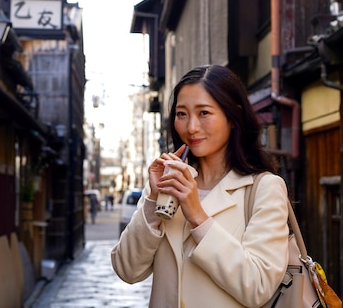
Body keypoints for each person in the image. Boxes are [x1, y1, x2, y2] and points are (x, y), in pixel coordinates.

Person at [111, 65, 290, 307]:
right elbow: (127, 269)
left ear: (232, 117)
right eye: (181, 114)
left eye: (204, 113)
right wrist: (153, 199)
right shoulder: (167, 181)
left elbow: (258, 286)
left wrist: (198, 217)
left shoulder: (264, 188)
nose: (191, 127)